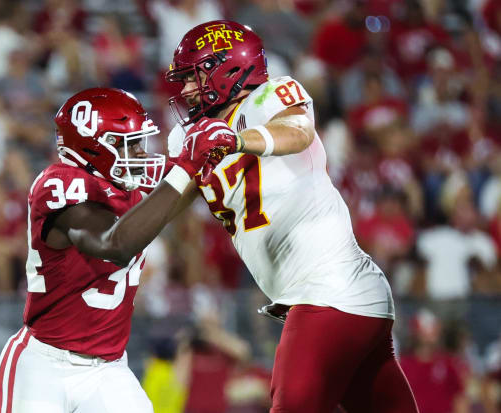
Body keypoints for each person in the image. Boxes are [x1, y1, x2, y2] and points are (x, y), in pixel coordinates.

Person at [163, 20, 420, 412]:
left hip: (329, 289)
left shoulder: (270, 95)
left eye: (193, 77)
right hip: (337, 297)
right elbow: (167, 201)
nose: (184, 90)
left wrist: (235, 139)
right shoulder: (188, 136)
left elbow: (297, 129)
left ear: (228, 69)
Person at [0, 87, 234, 413]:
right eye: (129, 144)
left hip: (107, 369)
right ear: (93, 148)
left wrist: (217, 153)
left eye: (140, 142)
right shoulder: (61, 183)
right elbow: (113, 244)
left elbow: (179, 195)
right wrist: (186, 168)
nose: (140, 153)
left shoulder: (131, 187)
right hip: (43, 364)